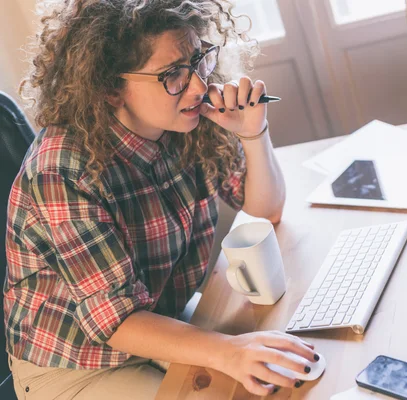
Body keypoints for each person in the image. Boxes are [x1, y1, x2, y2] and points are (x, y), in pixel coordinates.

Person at [3, 1, 318, 398]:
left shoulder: (188, 119)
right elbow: (116, 321)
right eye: (172, 75)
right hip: (76, 365)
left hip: (157, 320)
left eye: (198, 60)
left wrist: (254, 134)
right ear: (110, 87)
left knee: (280, 378)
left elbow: (264, 211)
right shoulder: (61, 172)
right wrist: (228, 351)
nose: (200, 86)